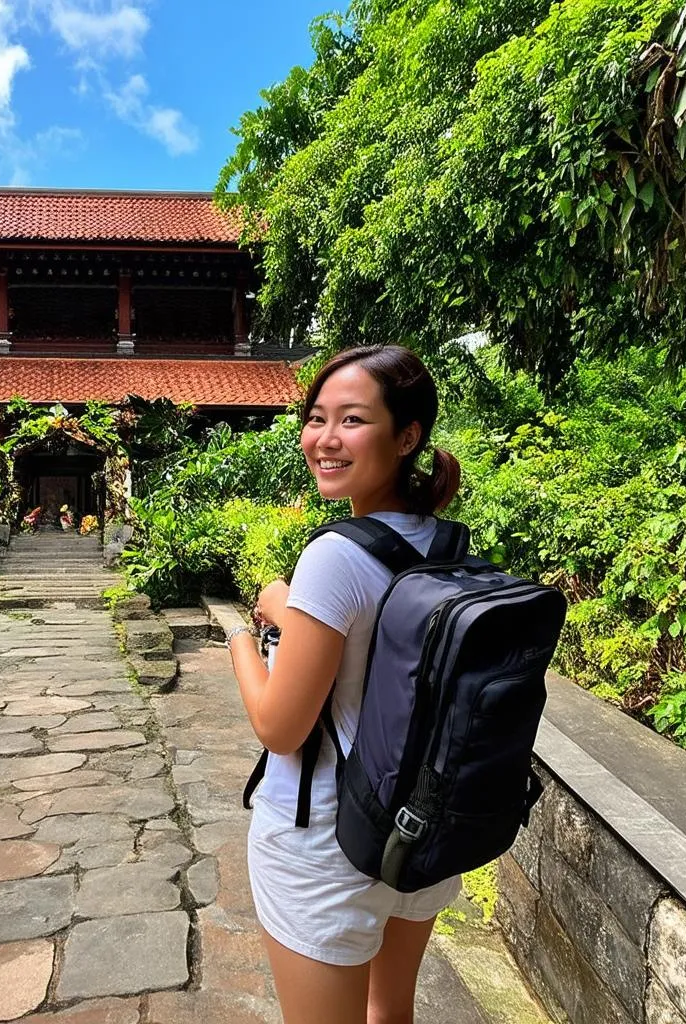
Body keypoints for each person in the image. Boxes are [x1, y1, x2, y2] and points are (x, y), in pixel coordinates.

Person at [227, 345, 463, 1024]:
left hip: (326, 845)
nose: (324, 439)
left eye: (352, 419)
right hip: (418, 837)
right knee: (391, 1013)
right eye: (315, 417)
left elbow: (280, 726)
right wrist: (287, 605)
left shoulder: (337, 553)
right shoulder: (443, 544)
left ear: (407, 435)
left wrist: (243, 641)